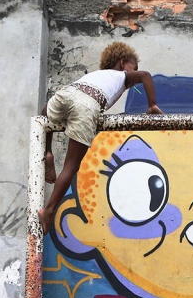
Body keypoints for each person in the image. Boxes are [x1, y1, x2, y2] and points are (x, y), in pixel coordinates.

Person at [40, 42, 163, 234]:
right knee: (71, 166)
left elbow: (49, 110)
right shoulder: (121, 76)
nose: (134, 72)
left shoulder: (95, 76)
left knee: (44, 115)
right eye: (133, 67)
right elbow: (145, 76)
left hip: (66, 93)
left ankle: (47, 152)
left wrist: (49, 148)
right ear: (123, 63)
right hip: (88, 103)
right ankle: (48, 210)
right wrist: (152, 104)